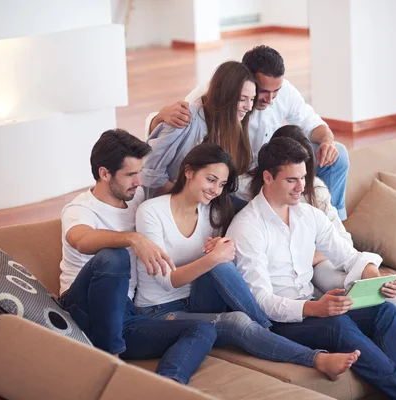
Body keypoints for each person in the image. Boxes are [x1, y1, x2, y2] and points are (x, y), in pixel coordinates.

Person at [227, 137, 396, 400]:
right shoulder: (248, 228)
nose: (301, 187)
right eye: (291, 180)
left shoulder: (307, 215)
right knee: (337, 325)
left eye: (303, 178)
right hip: (276, 322)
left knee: (384, 311)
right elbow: (260, 301)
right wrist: (314, 309)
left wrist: (376, 281)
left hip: (311, 307)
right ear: (267, 177)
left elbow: (350, 257)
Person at [135, 143, 360, 380]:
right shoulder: (151, 211)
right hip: (160, 310)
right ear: (189, 171)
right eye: (210, 179)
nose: (215, 190)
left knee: (220, 263)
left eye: (221, 184)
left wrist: (221, 251)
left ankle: (266, 328)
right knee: (238, 321)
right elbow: (166, 281)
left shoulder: (212, 211)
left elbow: (222, 262)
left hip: (198, 300)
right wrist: (211, 259)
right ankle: (307, 353)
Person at [59, 129, 218, 384]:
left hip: (125, 313)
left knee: (202, 329)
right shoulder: (79, 209)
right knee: (115, 256)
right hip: (83, 308)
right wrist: (133, 238)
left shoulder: (136, 198)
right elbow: (81, 240)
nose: (139, 181)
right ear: (104, 173)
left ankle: (168, 387)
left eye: (139, 173)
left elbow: (179, 195)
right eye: (131, 174)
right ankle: (111, 362)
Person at [147, 45, 350, 220]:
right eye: (263, 92)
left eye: (275, 92)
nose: (270, 100)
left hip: (262, 161)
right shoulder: (211, 96)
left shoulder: (281, 91)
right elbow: (174, 131)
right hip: (237, 173)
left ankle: (332, 223)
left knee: (338, 156)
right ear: (246, 78)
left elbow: (313, 123)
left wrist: (327, 141)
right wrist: (159, 117)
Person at [140, 60, 256, 204]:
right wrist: (187, 199)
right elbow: (150, 174)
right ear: (225, 95)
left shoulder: (235, 126)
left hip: (206, 202)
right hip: (172, 203)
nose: (249, 106)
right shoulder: (184, 118)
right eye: (242, 99)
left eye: (252, 99)